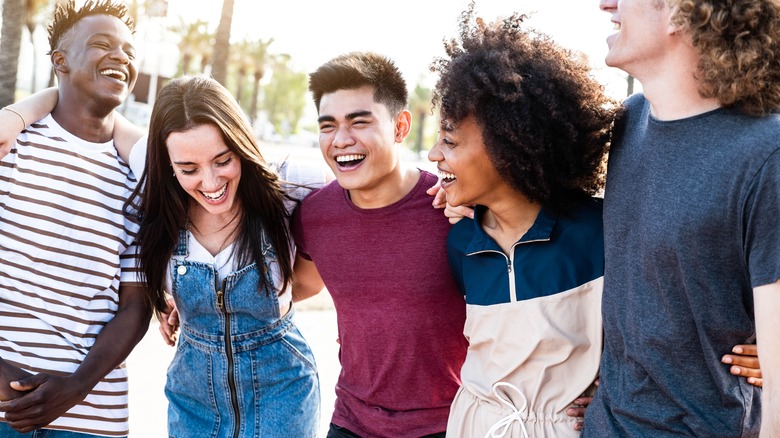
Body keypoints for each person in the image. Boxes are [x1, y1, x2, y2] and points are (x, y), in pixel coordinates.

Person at [582, 0, 780, 436]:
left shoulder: (768, 154)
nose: (606, 4)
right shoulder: (628, 121)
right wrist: (465, 202)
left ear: (679, 11)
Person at [427, 9, 614, 436]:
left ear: (508, 147)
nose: (435, 153)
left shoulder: (599, 231)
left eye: (450, 140)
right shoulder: (460, 242)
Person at [127, 74, 320, 437]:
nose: (211, 182)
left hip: (283, 393)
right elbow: (90, 111)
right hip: (193, 399)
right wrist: (18, 116)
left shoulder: (294, 185)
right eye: (189, 170)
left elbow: (376, 187)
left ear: (241, 146)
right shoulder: (151, 174)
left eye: (223, 160)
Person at [290, 52, 469, 438]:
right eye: (328, 126)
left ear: (401, 126)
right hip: (350, 421)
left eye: (359, 122)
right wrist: (189, 300)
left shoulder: (454, 207)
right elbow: (300, 285)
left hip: (447, 424)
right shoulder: (313, 215)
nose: (341, 140)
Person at [0, 1, 151, 436]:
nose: (121, 56)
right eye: (102, 44)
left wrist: (78, 386)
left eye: (129, 50)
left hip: (91, 418)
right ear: (60, 62)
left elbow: (136, 303)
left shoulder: (139, 174)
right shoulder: (11, 146)